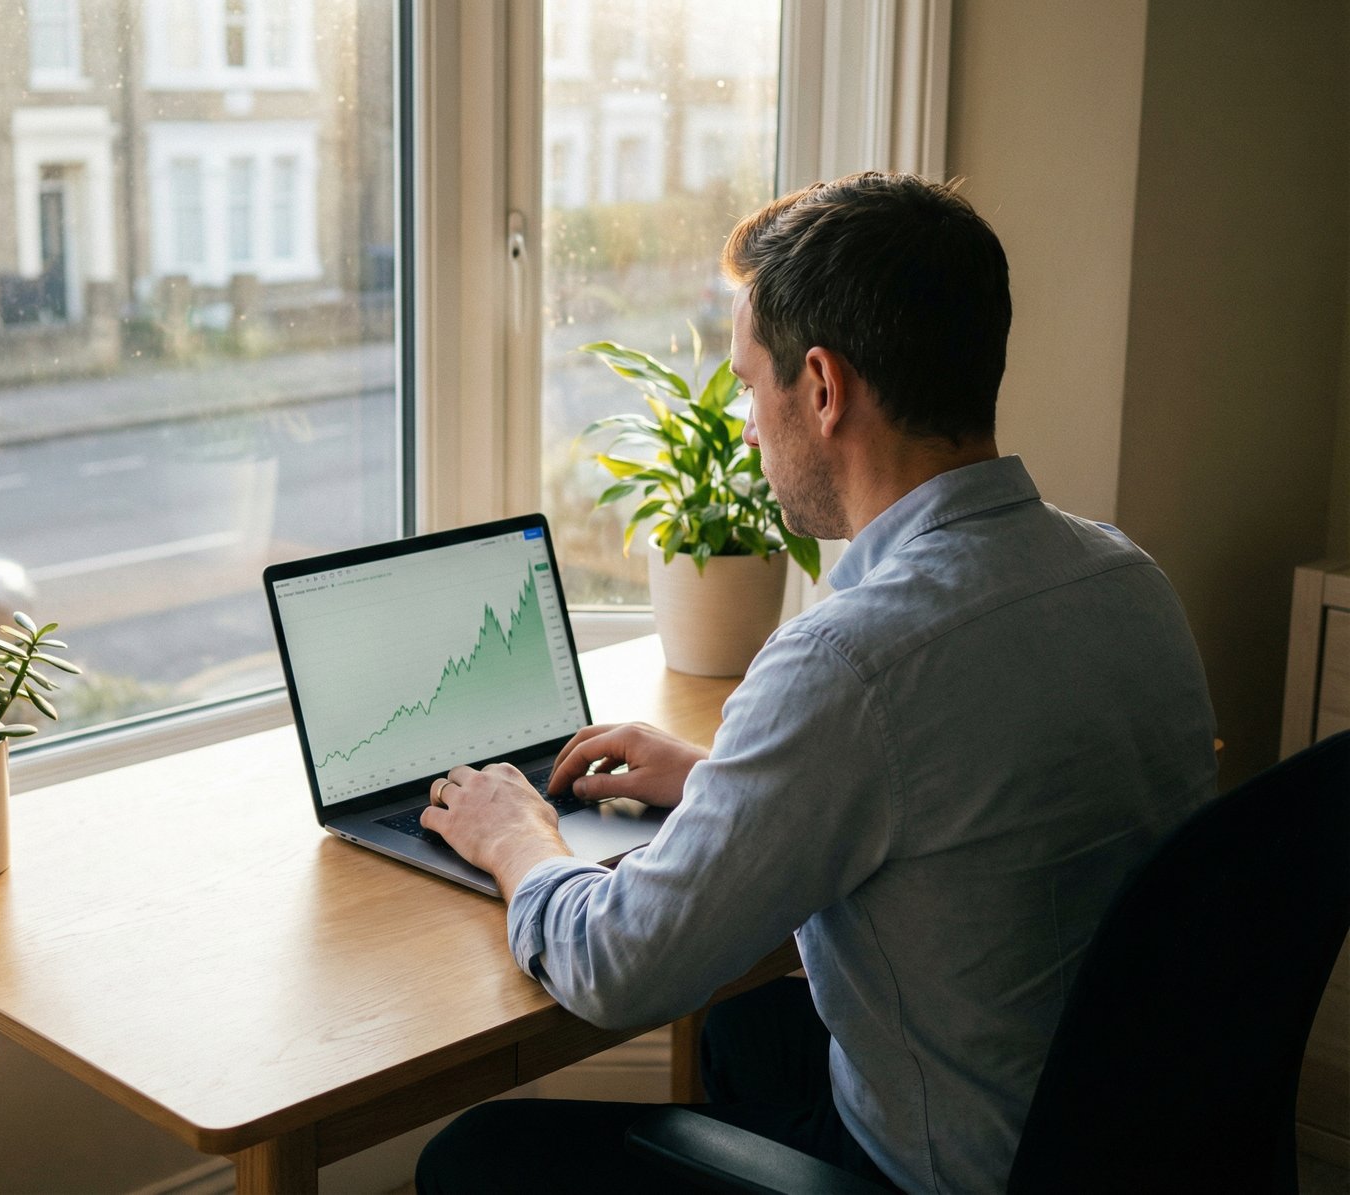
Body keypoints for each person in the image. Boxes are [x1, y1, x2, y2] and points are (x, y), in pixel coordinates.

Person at [414, 172, 1218, 1193]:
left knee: (473, 1158)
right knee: (751, 1034)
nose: (748, 425)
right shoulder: (1122, 576)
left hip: (958, 1171)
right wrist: (724, 778)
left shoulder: (850, 662)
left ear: (825, 389)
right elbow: (967, 798)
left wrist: (515, 837)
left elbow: (617, 969)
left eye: (752, 385)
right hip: (1119, 1130)